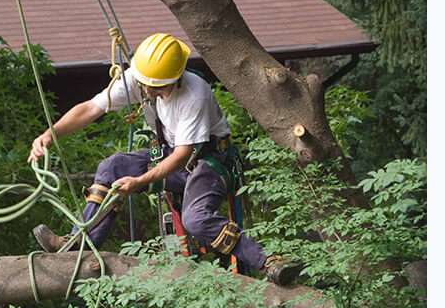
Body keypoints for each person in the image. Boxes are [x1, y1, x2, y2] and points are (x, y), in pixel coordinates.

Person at [29, 33, 301, 285]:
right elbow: (90, 108)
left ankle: (267, 262)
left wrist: (140, 181)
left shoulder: (194, 94)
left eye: (154, 87)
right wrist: (49, 135)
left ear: (172, 79)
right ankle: (80, 244)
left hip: (209, 161)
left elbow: (184, 154)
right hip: (173, 155)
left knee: (195, 219)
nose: (146, 90)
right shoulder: (141, 77)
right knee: (112, 167)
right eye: (145, 84)